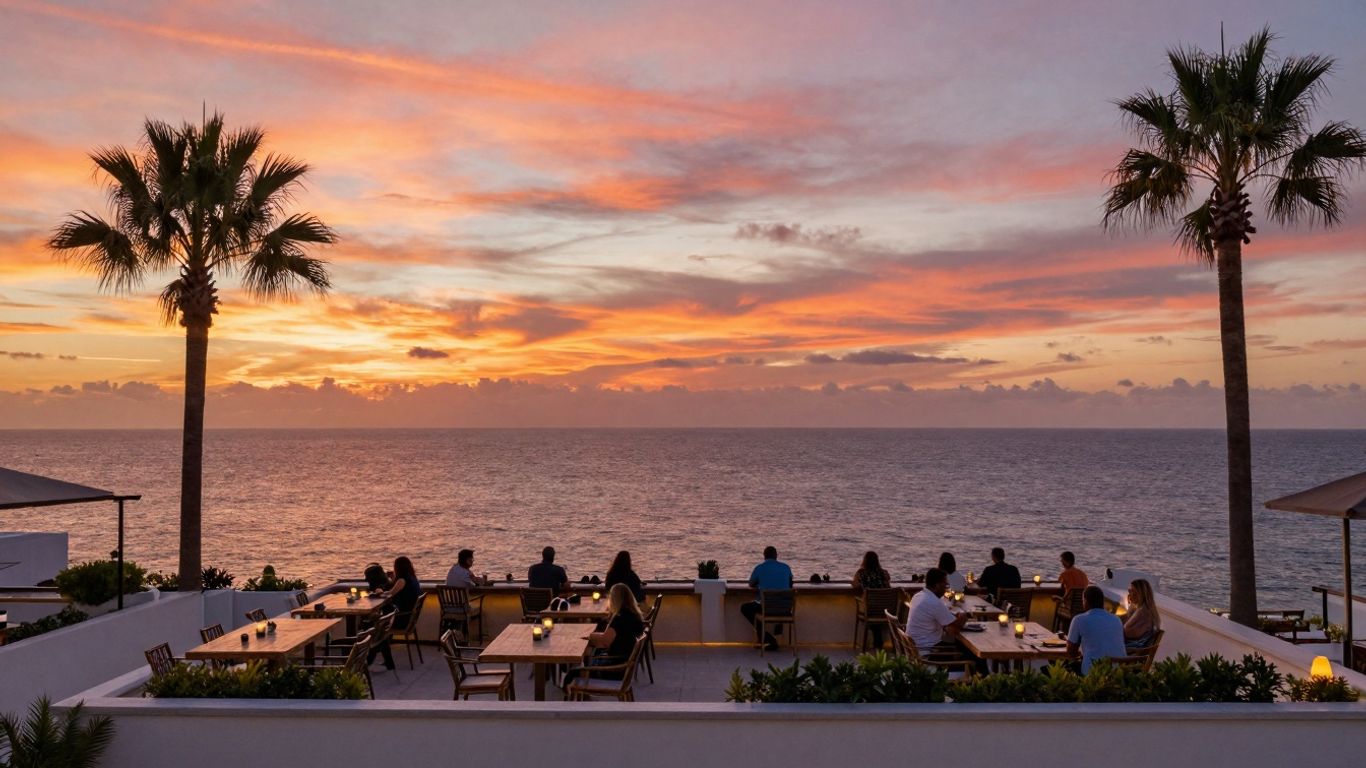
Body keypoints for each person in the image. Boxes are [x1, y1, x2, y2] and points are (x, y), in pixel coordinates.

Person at [370, 556, 421, 670]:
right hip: (409, 618)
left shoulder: (402, 580)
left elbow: (390, 594)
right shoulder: (412, 578)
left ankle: (371, 659)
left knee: (379, 627)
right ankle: (385, 661)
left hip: (402, 619)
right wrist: (393, 579)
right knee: (381, 625)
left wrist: (379, 592)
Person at [740, 546, 794, 651]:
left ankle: (767, 638)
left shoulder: (760, 568)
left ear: (764, 556)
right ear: (776, 556)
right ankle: (769, 637)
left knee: (745, 608)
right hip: (785, 609)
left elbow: (751, 584)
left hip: (767, 608)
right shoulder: (786, 567)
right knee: (775, 605)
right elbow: (790, 584)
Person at [1066, 585, 1126, 673]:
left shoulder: (1079, 619)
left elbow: (1071, 652)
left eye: (1083, 601)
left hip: (1093, 672)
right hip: (1118, 672)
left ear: (1085, 601)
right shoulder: (1116, 619)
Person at [906, 567, 969, 650]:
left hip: (915, 646)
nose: (946, 589)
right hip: (929, 650)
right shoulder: (934, 602)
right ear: (937, 585)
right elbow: (955, 627)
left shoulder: (918, 596)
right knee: (968, 651)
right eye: (946, 585)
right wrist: (964, 616)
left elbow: (945, 620)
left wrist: (953, 619)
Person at [586, 583, 646, 668]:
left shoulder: (619, 618)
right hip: (623, 662)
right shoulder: (634, 615)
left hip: (614, 667)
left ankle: (583, 671)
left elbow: (605, 642)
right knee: (590, 651)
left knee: (573, 672)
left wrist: (589, 636)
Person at [852, 551, 892, 649]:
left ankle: (876, 642)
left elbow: (855, 584)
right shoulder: (884, 573)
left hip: (870, 610)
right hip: (885, 610)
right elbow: (888, 586)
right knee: (877, 609)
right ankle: (878, 643)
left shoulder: (861, 573)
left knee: (871, 608)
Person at [1122, 578, 1161, 649]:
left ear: (1140, 594)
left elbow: (1128, 632)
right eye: (1129, 591)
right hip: (1132, 647)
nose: (1129, 594)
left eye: (1132, 591)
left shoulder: (1143, 612)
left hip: (1131, 650)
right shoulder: (1143, 609)